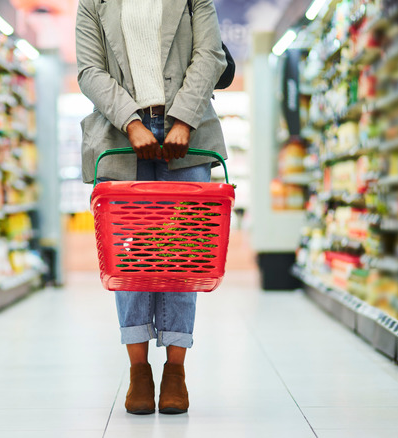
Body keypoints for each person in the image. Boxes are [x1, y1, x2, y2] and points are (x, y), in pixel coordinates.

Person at [76, 0, 228, 415]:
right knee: (130, 261)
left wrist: (182, 119)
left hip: (189, 134)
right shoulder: (94, 3)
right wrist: (131, 121)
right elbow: (90, 71)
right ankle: (139, 369)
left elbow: (209, 54)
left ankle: (175, 370)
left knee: (183, 257)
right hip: (119, 136)